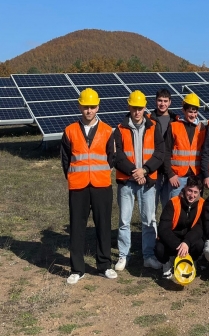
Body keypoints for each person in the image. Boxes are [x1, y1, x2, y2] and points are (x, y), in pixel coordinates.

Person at [61, 88, 117, 284]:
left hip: (101, 185)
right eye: (85, 107)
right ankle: (77, 269)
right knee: (77, 226)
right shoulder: (69, 131)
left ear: (98, 107)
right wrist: (74, 176)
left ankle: (104, 266)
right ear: (80, 107)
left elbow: (111, 158)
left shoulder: (108, 130)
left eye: (92, 107)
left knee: (103, 226)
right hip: (78, 186)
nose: (89, 110)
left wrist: (99, 173)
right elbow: (66, 160)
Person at [113, 90, 165, 271]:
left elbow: (160, 153)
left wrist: (145, 170)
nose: (137, 112)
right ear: (129, 107)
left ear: (145, 108)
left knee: (149, 221)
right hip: (126, 182)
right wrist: (134, 172)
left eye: (140, 108)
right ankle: (123, 256)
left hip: (148, 182)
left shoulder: (153, 127)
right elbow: (117, 155)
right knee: (124, 221)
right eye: (134, 108)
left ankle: (148, 256)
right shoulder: (119, 129)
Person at [155, 176, 205, 279]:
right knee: (159, 249)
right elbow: (163, 229)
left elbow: (200, 228)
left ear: (200, 191)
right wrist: (178, 246)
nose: (192, 195)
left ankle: (192, 261)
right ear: (185, 187)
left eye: (195, 192)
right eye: (190, 191)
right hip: (173, 239)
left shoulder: (203, 204)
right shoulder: (173, 202)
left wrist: (187, 242)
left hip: (189, 239)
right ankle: (167, 264)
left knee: (199, 244)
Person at [161, 93, 206, 207]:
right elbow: (165, 152)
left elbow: (205, 153)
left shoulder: (202, 129)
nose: (193, 115)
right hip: (177, 178)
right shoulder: (174, 126)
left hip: (196, 176)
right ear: (184, 110)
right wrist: (170, 174)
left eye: (195, 112)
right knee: (175, 207)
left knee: (194, 208)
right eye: (190, 111)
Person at [147, 89, 179, 210]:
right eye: (160, 100)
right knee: (151, 205)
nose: (162, 104)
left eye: (165, 101)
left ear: (170, 102)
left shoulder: (175, 120)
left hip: (171, 168)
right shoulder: (148, 120)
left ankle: (166, 228)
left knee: (169, 204)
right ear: (155, 101)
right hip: (154, 167)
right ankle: (151, 228)